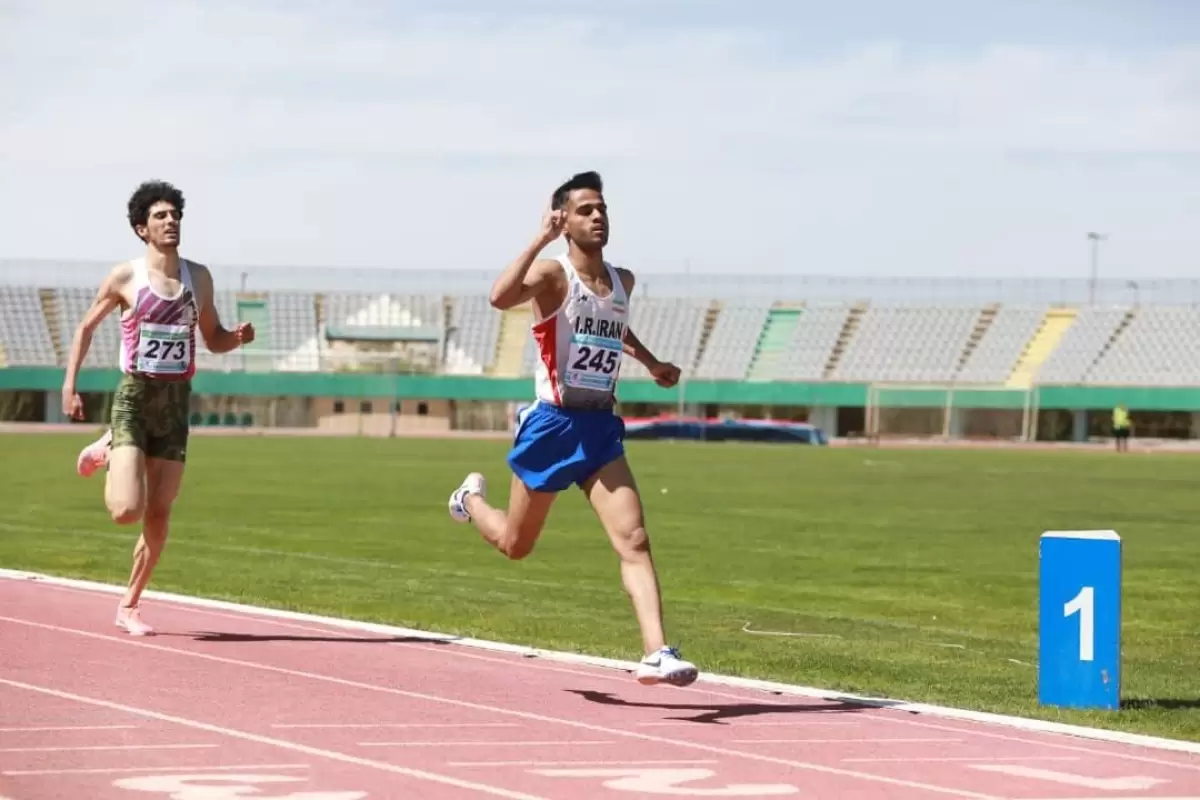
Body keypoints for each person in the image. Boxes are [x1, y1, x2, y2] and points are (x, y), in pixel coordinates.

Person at [446, 171, 698, 687]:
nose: (598, 216)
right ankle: (469, 500)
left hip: (600, 426)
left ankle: (657, 651)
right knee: (516, 545)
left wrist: (650, 363)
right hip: (552, 426)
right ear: (565, 221)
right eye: (585, 210)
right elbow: (499, 297)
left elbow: (614, 326)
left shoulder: (623, 280)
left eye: (602, 208)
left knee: (635, 538)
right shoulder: (552, 275)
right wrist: (539, 237)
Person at [62, 180, 255, 636]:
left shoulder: (199, 278)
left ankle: (129, 605)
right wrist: (70, 386)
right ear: (141, 229)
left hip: (175, 404)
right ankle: (110, 445)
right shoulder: (125, 278)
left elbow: (214, 339)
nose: (171, 222)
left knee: (160, 513)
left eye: (175, 215)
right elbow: (85, 328)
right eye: (160, 217)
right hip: (133, 398)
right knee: (126, 510)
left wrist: (238, 338)